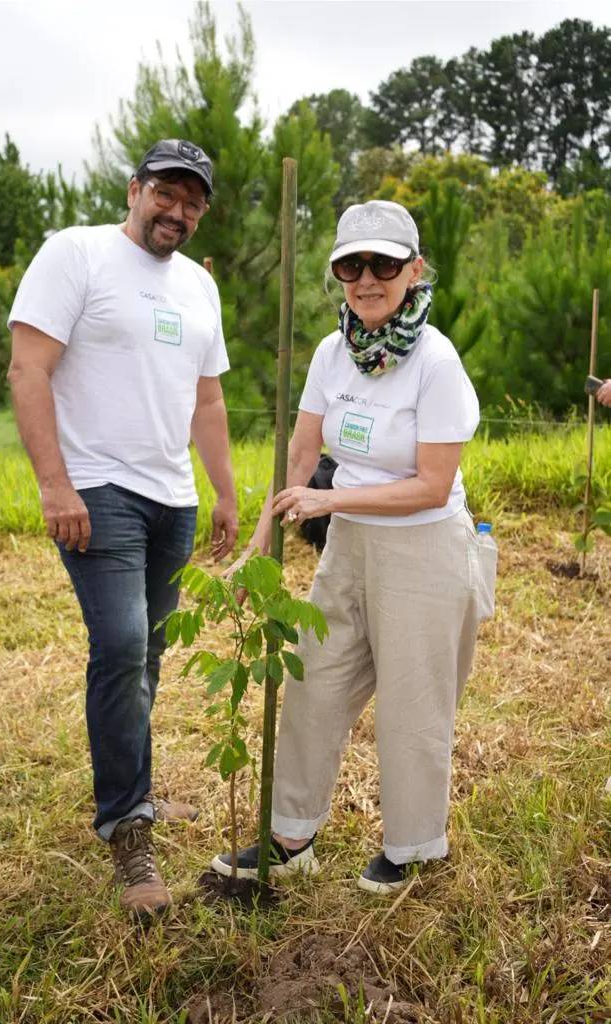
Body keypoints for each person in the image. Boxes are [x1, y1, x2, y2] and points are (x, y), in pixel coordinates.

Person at [211, 199, 484, 894]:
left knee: (413, 701)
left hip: (424, 550)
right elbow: (304, 449)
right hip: (351, 545)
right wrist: (262, 544)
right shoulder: (334, 352)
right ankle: (289, 833)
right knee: (312, 678)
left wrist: (328, 500)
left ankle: (415, 847)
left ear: (414, 270)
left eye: (384, 264)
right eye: (350, 264)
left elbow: (430, 484)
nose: (367, 278)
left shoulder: (436, 361)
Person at [7, 139, 238, 919]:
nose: (177, 210)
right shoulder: (76, 254)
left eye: (192, 200)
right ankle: (127, 827)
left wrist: (225, 495)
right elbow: (27, 368)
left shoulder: (200, 289)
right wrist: (53, 484)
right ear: (135, 189)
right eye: (165, 193)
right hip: (96, 490)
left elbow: (207, 400)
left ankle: (131, 787)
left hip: (172, 498)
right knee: (121, 645)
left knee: (151, 651)